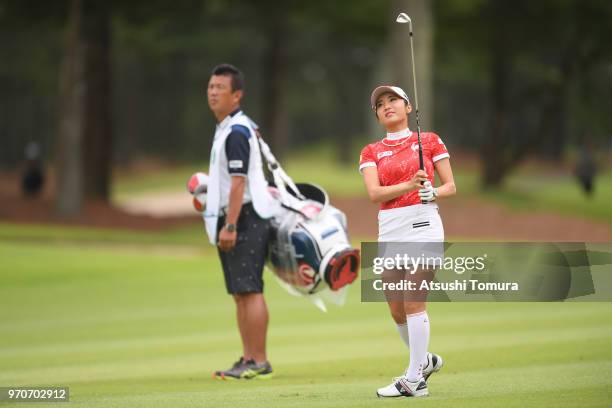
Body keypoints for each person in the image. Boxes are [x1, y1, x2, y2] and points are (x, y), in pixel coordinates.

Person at [359, 85, 456, 398]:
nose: (387, 106)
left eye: (393, 100)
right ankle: (424, 360)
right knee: (396, 308)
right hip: (390, 229)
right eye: (380, 104)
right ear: (376, 114)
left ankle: (414, 379)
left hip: (424, 225)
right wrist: (409, 183)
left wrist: (433, 192)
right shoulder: (371, 150)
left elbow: (451, 185)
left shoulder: (428, 140)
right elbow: (374, 194)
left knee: (414, 300)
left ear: (408, 106)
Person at [205, 63, 279, 380]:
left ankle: (259, 360)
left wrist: (231, 224)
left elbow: (238, 183)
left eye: (220, 88)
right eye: (210, 87)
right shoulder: (229, 127)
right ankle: (248, 357)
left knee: (250, 289)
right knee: (239, 291)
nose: (213, 92)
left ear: (237, 95)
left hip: (245, 216)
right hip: (238, 215)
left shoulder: (236, 131)